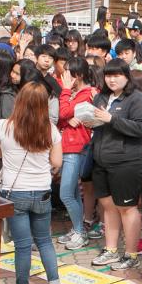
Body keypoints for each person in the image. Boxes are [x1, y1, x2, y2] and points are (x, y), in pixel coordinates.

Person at [0, 83, 68, 284]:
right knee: (44, 240)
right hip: (42, 191)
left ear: (19, 101)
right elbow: (57, 162)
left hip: (14, 193)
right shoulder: (50, 130)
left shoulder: (4, 127)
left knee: (22, 244)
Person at [89, 59, 142, 271]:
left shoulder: (137, 99)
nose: (112, 79)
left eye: (117, 75)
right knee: (107, 205)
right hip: (101, 158)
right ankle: (111, 249)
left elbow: (140, 128)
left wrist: (111, 119)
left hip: (126, 162)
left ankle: (131, 252)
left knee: (127, 207)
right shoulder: (101, 96)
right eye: (108, 75)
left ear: (127, 77)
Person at [56, 57, 98, 249]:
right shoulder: (75, 94)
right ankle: (77, 227)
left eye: (68, 74)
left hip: (76, 148)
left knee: (66, 193)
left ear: (78, 75)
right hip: (67, 146)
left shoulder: (87, 94)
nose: (65, 78)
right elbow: (61, 117)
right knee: (72, 193)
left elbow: (64, 113)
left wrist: (64, 91)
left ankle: (81, 232)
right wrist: (67, 119)